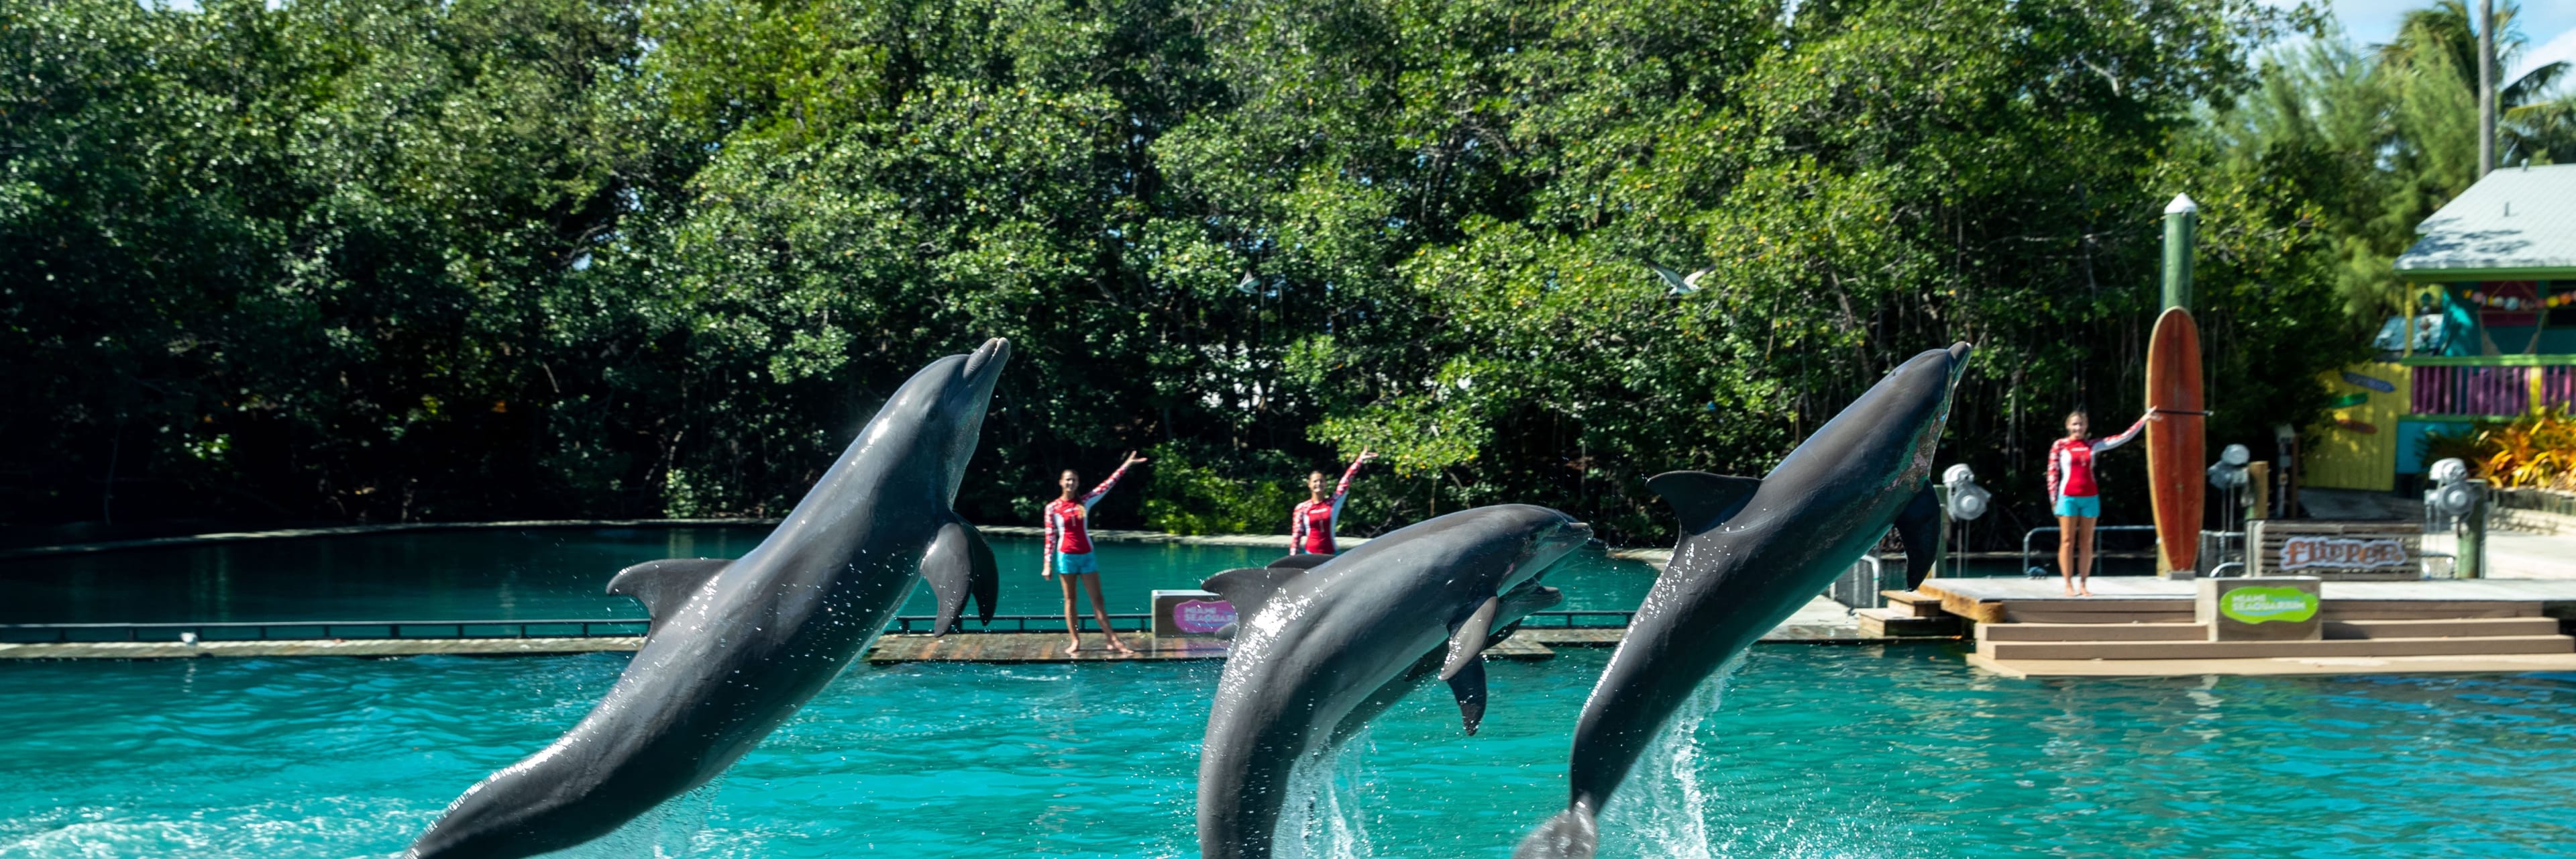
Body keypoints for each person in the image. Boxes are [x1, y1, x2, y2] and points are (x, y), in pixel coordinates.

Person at [2046, 408, 2157, 596]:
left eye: (2081, 424)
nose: (2078, 427)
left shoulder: (2093, 445)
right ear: (2068, 426)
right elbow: (2052, 473)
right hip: (2068, 498)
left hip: (2090, 498)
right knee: (2067, 541)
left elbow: (2123, 437)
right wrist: (2053, 499)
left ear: (2086, 427)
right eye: (2074, 424)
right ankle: (2068, 584)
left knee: (2087, 542)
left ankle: (2083, 584)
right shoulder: (2060, 445)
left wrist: (2144, 419)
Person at [1044, 452, 1146, 655]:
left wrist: (1126, 465)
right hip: (1066, 558)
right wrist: (1047, 564)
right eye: (1067, 480)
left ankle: (1113, 640)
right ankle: (1075, 640)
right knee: (1070, 600)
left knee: (1098, 599)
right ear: (1061, 483)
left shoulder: (1085, 502)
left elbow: (1107, 484)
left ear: (1078, 483)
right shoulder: (1052, 508)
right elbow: (1050, 537)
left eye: (1074, 480)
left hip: (1087, 556)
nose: (1071, 483)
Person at [1289, 449, 1376, 556]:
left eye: (1321, 481)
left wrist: (1359, 460)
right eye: (1315, 481)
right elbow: (1296, 536)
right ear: (1309, 484)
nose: (1319, 483)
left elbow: (1345, 481)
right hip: (1310, 555)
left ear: (1326, 484)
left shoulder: (1332, 503)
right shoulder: (1302, 508)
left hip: (1331, 555)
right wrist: (1292, 559)